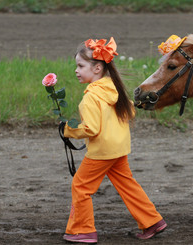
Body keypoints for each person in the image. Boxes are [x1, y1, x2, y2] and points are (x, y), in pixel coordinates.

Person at [61, 37, 166, 243]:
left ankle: (83, 231)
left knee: (81, 187)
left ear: (97, 68)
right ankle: (152, 221)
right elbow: (130, 114)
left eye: (81, 66)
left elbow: (91, 129)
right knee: (127, 185)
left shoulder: (91, 97)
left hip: (101, 153)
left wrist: (68, 129)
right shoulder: (114, 89)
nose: (77, 70)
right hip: (119, 149)